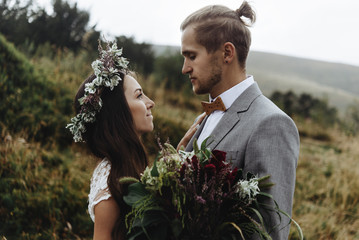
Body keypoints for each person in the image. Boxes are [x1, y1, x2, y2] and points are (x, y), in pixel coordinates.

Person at [179, 2, 300, 239]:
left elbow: (269, 231)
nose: (184, 68)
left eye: (191, 56)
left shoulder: (271, 123)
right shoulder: (204, 117)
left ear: (227, 53)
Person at [66, 42, 155, 239]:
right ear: (117, 113)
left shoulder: (129, 162)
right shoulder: (110, 184)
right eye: (139, 96)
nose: (150, 103)